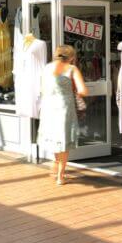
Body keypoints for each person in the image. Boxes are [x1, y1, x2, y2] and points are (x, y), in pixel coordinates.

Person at [37, 44, 87, 185]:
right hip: (64, 108)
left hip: (48, 108)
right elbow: (83, 90)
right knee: (63, 140)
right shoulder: (72, 69)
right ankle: (60, 175)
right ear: (71, 57)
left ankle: (56, 162)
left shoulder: (47, 68)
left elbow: (43, 89)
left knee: (55, 138)